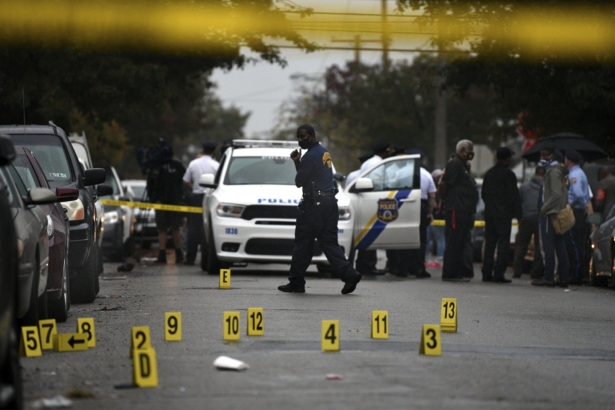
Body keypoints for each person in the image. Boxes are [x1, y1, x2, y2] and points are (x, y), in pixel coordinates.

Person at [278, 125, 362, 294]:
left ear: (312, 135)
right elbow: (310, 175)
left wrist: (297, 163)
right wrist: (297, 161)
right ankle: (349, 274)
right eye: (298, 137)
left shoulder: (310, 156)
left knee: (303, 243)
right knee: (329, 242)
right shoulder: (323, 152)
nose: (300, 140)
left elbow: (299, 181)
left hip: (314, 205)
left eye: (303, 137)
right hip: (329, 202)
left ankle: (296, 282)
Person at [480, 147, 522, 283]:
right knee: (503, 244)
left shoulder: (489, 174)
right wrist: (518, 215)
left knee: (490, 244)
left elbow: (484, 194)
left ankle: (486, 272)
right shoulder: (509, 174)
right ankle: (498, 273)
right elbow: (514, 196)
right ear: (507, 158)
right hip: (504, 215)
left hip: (490, 214)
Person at [439, 140, 478, 282]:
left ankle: (459, 271)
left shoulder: (462, 165)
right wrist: (444, 200)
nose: (471, 154)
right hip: (456, 208)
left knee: (460, 241)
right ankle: (450, 273)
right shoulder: (455, 164)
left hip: (463, 209)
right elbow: (444, 184)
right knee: (454, 241)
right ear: (463, 150)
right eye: (470, 151)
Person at [532, 148, 570, 287]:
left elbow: (556, 194)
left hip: (549, 214)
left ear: (552, 156)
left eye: (544, 154)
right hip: (557, 212)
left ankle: (549, 276)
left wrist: (544, 209)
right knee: (559, 244)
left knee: (548, 245)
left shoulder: (553, 172)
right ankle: (563, 277)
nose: (541, 157)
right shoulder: (560, 172)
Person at [146, 145, 186, 264]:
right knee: (166, 229)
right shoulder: (158, 167)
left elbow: (184, 182)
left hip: (172, 202)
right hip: (164, 203)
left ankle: (177, 254)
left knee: (173, 229)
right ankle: (164, 254)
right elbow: (150, 185)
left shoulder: (175, 166)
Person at [354, 142, 390, 275]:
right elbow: (379, 184)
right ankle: (368, 265)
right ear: (384, 153)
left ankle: (363, 264)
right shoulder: (379, 163)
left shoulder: (368, 162)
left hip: (365, 199)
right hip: (374, 200)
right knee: (372, 233)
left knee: (367, 233)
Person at [182, 141, 220, 265]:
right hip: (210, 197)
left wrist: (193, 187)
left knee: (193, 228)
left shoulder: (193, 163)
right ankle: (207, 257)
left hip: (196, 197)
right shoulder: (216, 165)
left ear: (202, 149)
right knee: (208, 228)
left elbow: (185, 180)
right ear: (214, 151)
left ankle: (190, 258)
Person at [405, 148, 436, 278]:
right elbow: (432, 197)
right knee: (421, 239)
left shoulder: (402, 173)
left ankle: (403, 267)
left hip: (405, 205)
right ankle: (418, 268)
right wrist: (430, 212)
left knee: (405, 236)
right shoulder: (426, 174)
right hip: (421, 206)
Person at [563, 149, 590, 285]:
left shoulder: (575, 174)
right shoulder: (579, 173)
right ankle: (578, 273)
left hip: (575, 212)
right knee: (577, 243)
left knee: (574, 243)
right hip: (578, 212)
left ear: (568, 160)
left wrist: (571, 205)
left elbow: (578, 194)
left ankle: (576, 274)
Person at [513, 166, 545, 279]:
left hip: (526, 218)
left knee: (521, 245)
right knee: (538, 246)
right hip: (540, 218)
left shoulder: (525, 186)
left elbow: (518, 202)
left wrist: (519, 217)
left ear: (535, 173)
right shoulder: (546, 187)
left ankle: (517, 271)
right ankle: (536, 272)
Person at [426, 169, 445, 268]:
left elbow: (435, 204)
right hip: (437, 218)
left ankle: (435, 259)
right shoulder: (439, 192)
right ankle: (437, 259)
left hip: (434, 218)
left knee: (432, 239)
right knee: (438, 239)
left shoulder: (434, 192)